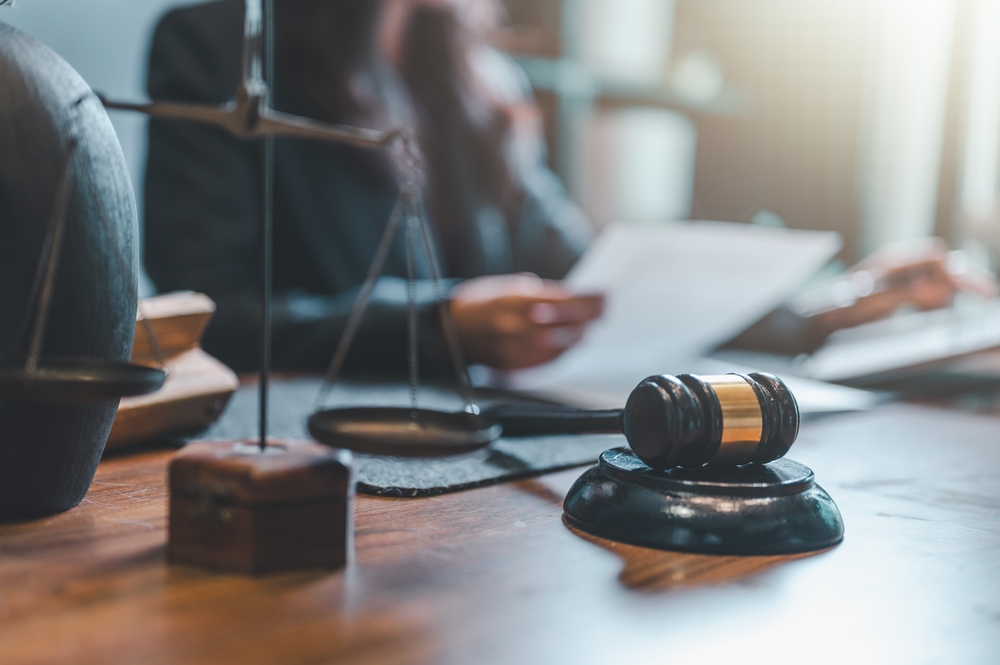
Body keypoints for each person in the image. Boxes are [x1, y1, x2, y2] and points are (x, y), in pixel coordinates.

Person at [144, 0, 986, 376]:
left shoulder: (476, 79)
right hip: (329, 467)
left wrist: (831, 305)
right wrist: (442, 326)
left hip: (490, 467)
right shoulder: (220, 45)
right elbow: (213, 315)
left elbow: (601, 282)